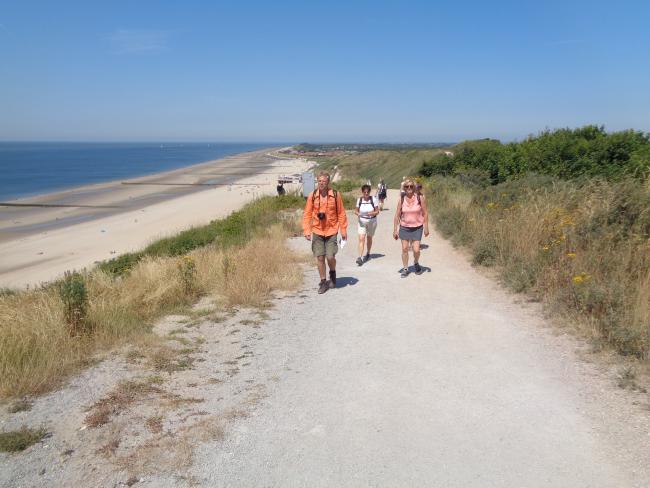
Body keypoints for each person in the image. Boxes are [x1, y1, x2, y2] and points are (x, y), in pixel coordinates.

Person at [302, 172, 348, 294]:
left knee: (330, 256)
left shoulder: (335, 195)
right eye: (319, 181)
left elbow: (341, 213)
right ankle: (323, 282)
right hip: (317, 230)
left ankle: (332, 273)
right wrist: (307, 230)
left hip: (331, 230)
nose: (321, 183)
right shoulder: (312, 196)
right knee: (320, 257)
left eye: (324, 181)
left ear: (328, 182)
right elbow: (307, 214)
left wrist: (343, 230)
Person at [393, 178, 429, 277]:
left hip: (417, 227)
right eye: (407, 186)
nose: (409, 188)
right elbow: (397, 215)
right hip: (404, 227)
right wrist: (395, 230)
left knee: (416, 250)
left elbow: (425, 213)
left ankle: (416, 262)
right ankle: (405, 268)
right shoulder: (401, 199)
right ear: (404, 188)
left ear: (414, 188)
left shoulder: (419, 198)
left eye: (411, 186)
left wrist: (426, 227)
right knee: (404, 248)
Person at [354, 184, 379, 266]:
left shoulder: (373, 199)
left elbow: (377, 211)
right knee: (361, 239)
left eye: (367, 192)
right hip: (362, 222)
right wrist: (358, 214)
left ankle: (368, 252)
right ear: (362, 192)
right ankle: (360, 257)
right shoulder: (359, 200)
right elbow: (356, 211)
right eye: (364, 192)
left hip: (372, 221)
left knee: (369, 237)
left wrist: (370, 213)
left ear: (369, 192)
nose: (366, 194)